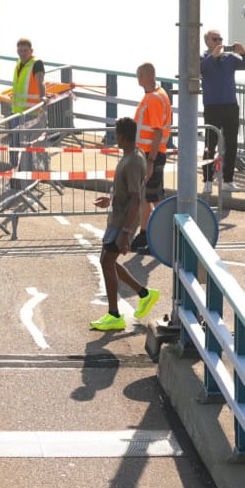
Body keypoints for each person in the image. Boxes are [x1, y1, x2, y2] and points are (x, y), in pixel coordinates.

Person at [90, 117, 160, 331]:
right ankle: (144, 294)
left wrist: (127, 232)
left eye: (116, 134)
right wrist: (110, 200)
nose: (115, 138)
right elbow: (127, 192)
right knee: (107, 261)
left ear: (121, 137)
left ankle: (114, 315)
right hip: (118, 217)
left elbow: (136, 198)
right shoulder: (134, 155)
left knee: (106, 261)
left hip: (122, 221)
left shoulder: (132, 162)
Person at [201, 29, 245, 194]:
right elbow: (201, 69)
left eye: (220, 39)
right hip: (212, 106)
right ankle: (208, 180)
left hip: (231, 106)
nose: (219, 42)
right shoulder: (203, 58)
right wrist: (213, 56)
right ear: (207, 42)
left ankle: (228, 180)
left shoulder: (230, 58)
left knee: (231, 143)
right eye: (215, 39)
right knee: (210, 144)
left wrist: (244, 52)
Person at [129, 62, 172, 255]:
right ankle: (145, 234)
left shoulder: (154, 98)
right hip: (147, 153)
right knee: (148, 196)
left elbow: (156, 131)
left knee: (154, 197)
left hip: (150, 154)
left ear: (144, 77)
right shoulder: (155, 95)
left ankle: (166, 234)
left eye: (139, 76)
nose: (138, 79)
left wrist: (151, 161)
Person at [5, 38, 46, 172]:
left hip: (30, 113)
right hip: (16, 112)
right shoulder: (19, 64)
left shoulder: (36, 64)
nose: (22, 53)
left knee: (26, 148)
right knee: (14, 145)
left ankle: (26, 176)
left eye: (25, 50)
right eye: (20, 50)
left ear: (31, 51)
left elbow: (40, 82)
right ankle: (16, 172)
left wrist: (42, 98)